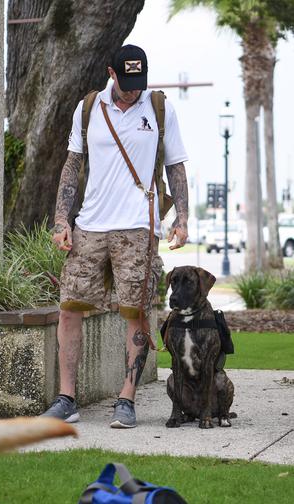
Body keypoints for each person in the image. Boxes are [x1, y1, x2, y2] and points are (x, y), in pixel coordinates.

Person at [42, 44, 188, 428]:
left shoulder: (159, 109)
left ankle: (126, 399)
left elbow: (175, 166)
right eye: (126, 83)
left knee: (135, 312)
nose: (133, 91)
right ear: (111, 73)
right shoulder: (88, 108)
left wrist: (182, 219)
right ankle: (66, 397)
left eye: (139, 82)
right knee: (70, 307)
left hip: (138, 226)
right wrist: (62, 219)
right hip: (90, 224)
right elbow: (72, 165)